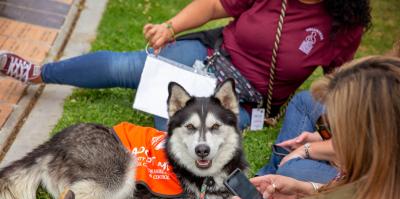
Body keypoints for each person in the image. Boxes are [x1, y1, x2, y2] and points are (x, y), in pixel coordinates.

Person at [2, 53, 400, 199]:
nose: (321, 139)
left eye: (331, 131)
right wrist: (310, 186)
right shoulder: (378, 188)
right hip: (94, 149)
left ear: (373, 143)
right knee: (124, 177)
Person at [0, 0, 371, 130]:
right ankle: (37, 72)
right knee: (125, 68)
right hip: (210, 55)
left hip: (245, 97)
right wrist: (170, 27)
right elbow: (214, 7)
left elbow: (337, 80)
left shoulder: (343, 23)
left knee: (182, 125)